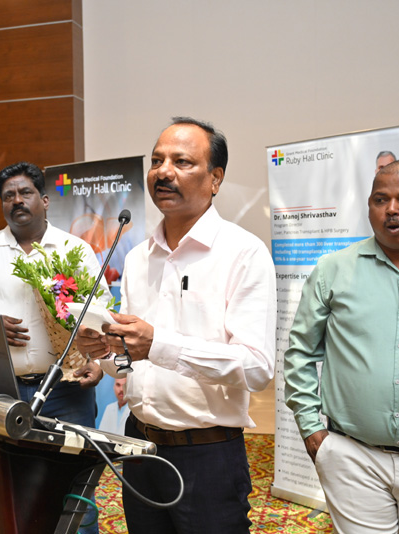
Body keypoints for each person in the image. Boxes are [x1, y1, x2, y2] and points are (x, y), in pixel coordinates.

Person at [77, 117, 277, 534]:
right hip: (139, 446)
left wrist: (158, 345)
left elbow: (257, 368)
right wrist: (107, 353)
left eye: (182, 162)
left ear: (215, 178)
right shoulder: (138, 257)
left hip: (207, 455)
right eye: (157, 161)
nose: (163, 172)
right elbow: (132, 364)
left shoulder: (243, 253)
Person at [284, 159, 399, 533]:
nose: (391, 210)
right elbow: (300, 352)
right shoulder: (333, 270)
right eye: (380, 200)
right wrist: (311, 428)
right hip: (353, 456)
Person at [0, 161, 107, 533]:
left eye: (25, 193)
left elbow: (101, 315)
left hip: (66, 393)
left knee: (77, 494)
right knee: (13, 490)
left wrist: (100, 364)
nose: (17, 201)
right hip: (1, 391)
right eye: (9, 196)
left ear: (44, 200)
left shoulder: (74, 249)